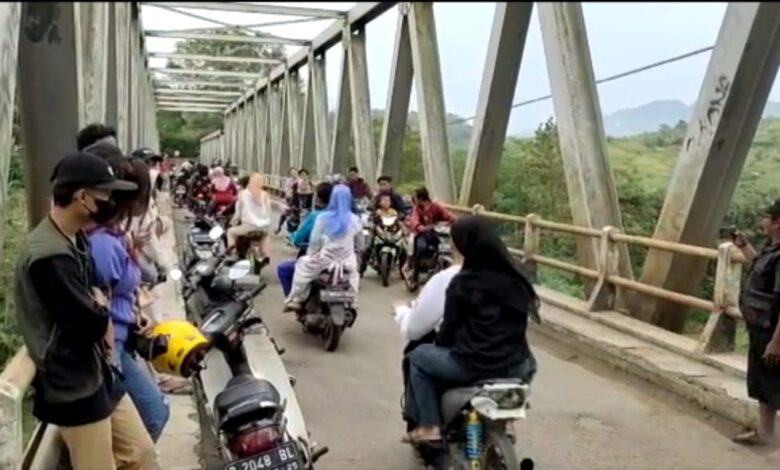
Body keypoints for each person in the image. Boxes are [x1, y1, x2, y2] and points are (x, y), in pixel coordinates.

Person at [14, 151, 156, 469]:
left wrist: (99, 304)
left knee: (141, 451)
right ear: (82, 197)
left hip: (98, 374)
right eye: (104, 192)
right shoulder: (50, 256)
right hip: (72, 384)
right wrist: (99, 306)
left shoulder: (74, 238)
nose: (110, 200)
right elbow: (88, 323)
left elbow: (98, 296)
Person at [403, 215, 539, 443]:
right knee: (529, 360)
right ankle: (505, 422)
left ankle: (430, 426)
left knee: (418, 357)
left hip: (472, 364)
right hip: (516, 366)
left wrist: (440, 347)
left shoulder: (463, 283)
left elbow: (447, 333)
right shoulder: (517, 279)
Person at [86, 148, 170, 443]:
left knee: (156, 412)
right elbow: (100, 301)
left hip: (124, 338)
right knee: (154, 416)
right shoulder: (104, 245)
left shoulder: (116, 238)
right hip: (113, 348)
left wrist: (136, 313)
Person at [732, 199, 780, 446]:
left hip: (772, 331)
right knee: (763, 382)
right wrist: (743, 246)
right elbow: (760, 267)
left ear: (777, 222)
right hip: (760, 328)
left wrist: (776, 342)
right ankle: (767, 434)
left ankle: (770, 436)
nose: (762, 222)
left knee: (772, 383)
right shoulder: (772, 249)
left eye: (766, 218)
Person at [283, 184, 364, 311]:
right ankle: (352, 300)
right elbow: (360, 245)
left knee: (301, 267)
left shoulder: (323, 218)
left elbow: (314, 243)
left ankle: (296, 299)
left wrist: (311, 255)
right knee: (354, 276)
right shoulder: (355, 220)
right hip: (347, 263)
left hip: (325, 261)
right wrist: (357, 259)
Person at [277, 182, 334, 297]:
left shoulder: (316, 216)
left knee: (284, 269)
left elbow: (299, 239)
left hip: (317, 260)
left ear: (317, 198)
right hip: (341, 262)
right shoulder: (346, 217)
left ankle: (293, 299)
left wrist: (293, 238)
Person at [405, 187, 457, 283]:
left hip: (436, 233)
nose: (414, 199)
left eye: (415, 197)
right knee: (421, 248)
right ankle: (415, 274)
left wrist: (456, 221)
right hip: (422, 234)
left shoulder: (435, 206)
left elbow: (447, 215)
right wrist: (419, 226)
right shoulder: (417, 208)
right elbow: (414, 218)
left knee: (445, 247)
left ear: (421, 198)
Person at [227, 173, 272, 265]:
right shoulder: (264, 194)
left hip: (249, 226)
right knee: (265, 236)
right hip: (264, 226)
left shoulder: (243, 194)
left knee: (230, 232)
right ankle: (265, 255)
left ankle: (233, 254)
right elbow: (268, 211)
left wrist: (233, 222)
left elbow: (238, 213)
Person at [359, 193, 400, 275]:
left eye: (388, 200)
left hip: (391, 234)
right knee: (367, 248)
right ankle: (362, 269)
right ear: (379, 203)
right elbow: (371, 221)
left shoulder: (393, 212)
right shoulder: (377, 212)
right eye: (384, 200)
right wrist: (373, 224)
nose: (386, 202)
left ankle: (403, 269)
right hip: (378, 233)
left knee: (403, 246)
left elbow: (398, 221)